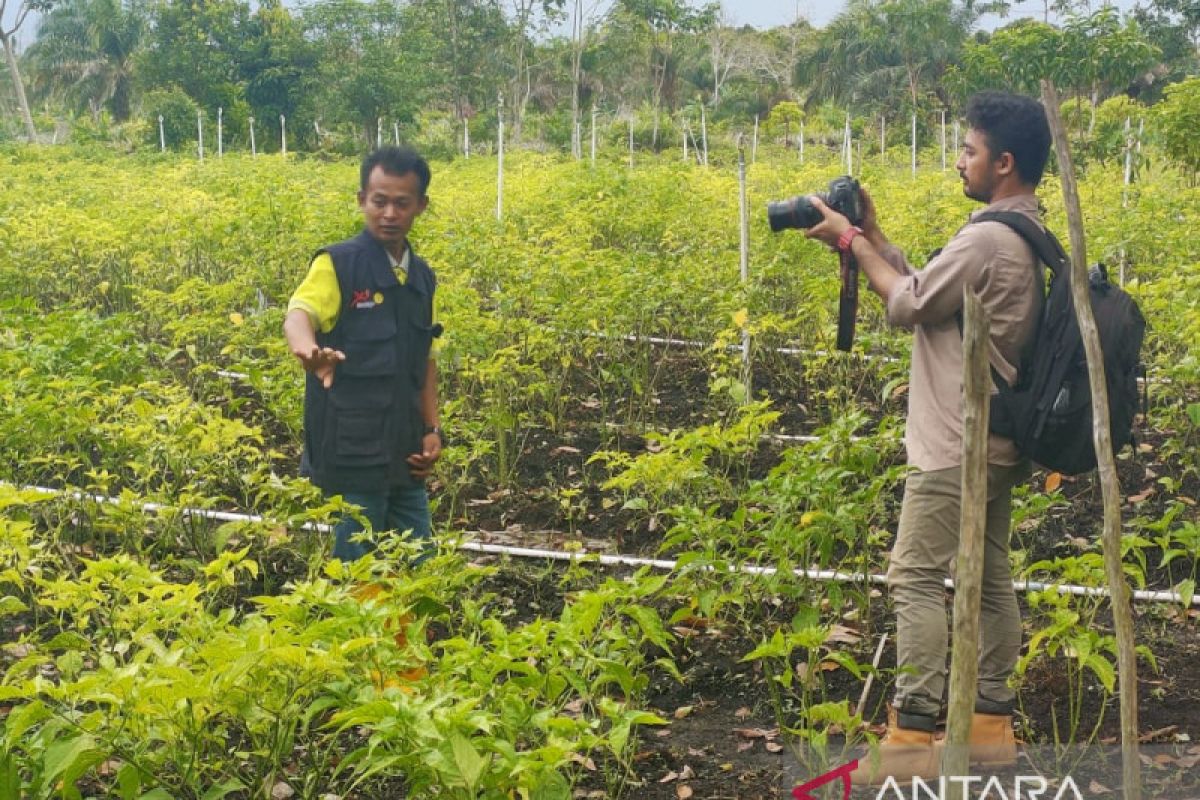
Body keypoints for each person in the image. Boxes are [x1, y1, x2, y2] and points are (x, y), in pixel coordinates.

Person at [804, 92, 1052, 784]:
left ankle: (912, 737)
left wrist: (849, 243)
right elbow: (927, 288)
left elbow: (906, 304)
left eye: (969, 150)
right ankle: (989, 728)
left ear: (1002, 163)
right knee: (988, 574)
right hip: (998, 443)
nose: (959, 161)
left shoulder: (986, 238)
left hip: (955, 444)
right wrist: (874, 237)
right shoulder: (1022, 230)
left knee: (914, 575)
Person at [284, 146, 443, 564]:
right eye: (379, 201)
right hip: (353, 449)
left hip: (406, 449)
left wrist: (432, 429)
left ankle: (410, 629)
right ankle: (349, 630)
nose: (389, 213)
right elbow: (299, 315)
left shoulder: (422, 278)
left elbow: (425, 361)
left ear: (420, 207)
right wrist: (308, 352)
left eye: (401, 203)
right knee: (357, 567)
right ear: (361, 200)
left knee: (420, 561)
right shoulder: (338, 265)